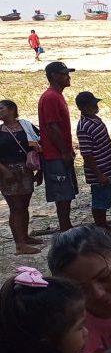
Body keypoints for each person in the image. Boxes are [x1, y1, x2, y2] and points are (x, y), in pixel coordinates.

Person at [38, 61, 78, 232]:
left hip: (60, 153)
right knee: (62, 195)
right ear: (54, 76)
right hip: (55, 155)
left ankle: (66, 226)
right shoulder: (51, 97)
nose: (68, 76)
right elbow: (52, 127)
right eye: (64, 74)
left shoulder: (57, 95)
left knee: (67, 193)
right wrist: (65, 152)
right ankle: (65, 228)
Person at [75, 91, 111, 232]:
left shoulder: (95, 119)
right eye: (93, 104)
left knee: (106, 198)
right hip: (99, 171)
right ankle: (100, 227)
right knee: (100, 200)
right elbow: (87, 154)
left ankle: (104, 224)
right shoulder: (84, 127)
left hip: (107, 167)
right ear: (84, 107)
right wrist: (99, 174)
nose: (96, 106)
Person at [0, 99, 42, 255]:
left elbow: (39, 145)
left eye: (1, 108)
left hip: (25, 170)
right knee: (15, 207)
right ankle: (19, 244)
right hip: (8, 173)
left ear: (12, 110)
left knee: (24, 205)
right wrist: (4, 171)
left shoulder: (26, 126)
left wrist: (40, 170)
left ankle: (24, 236)